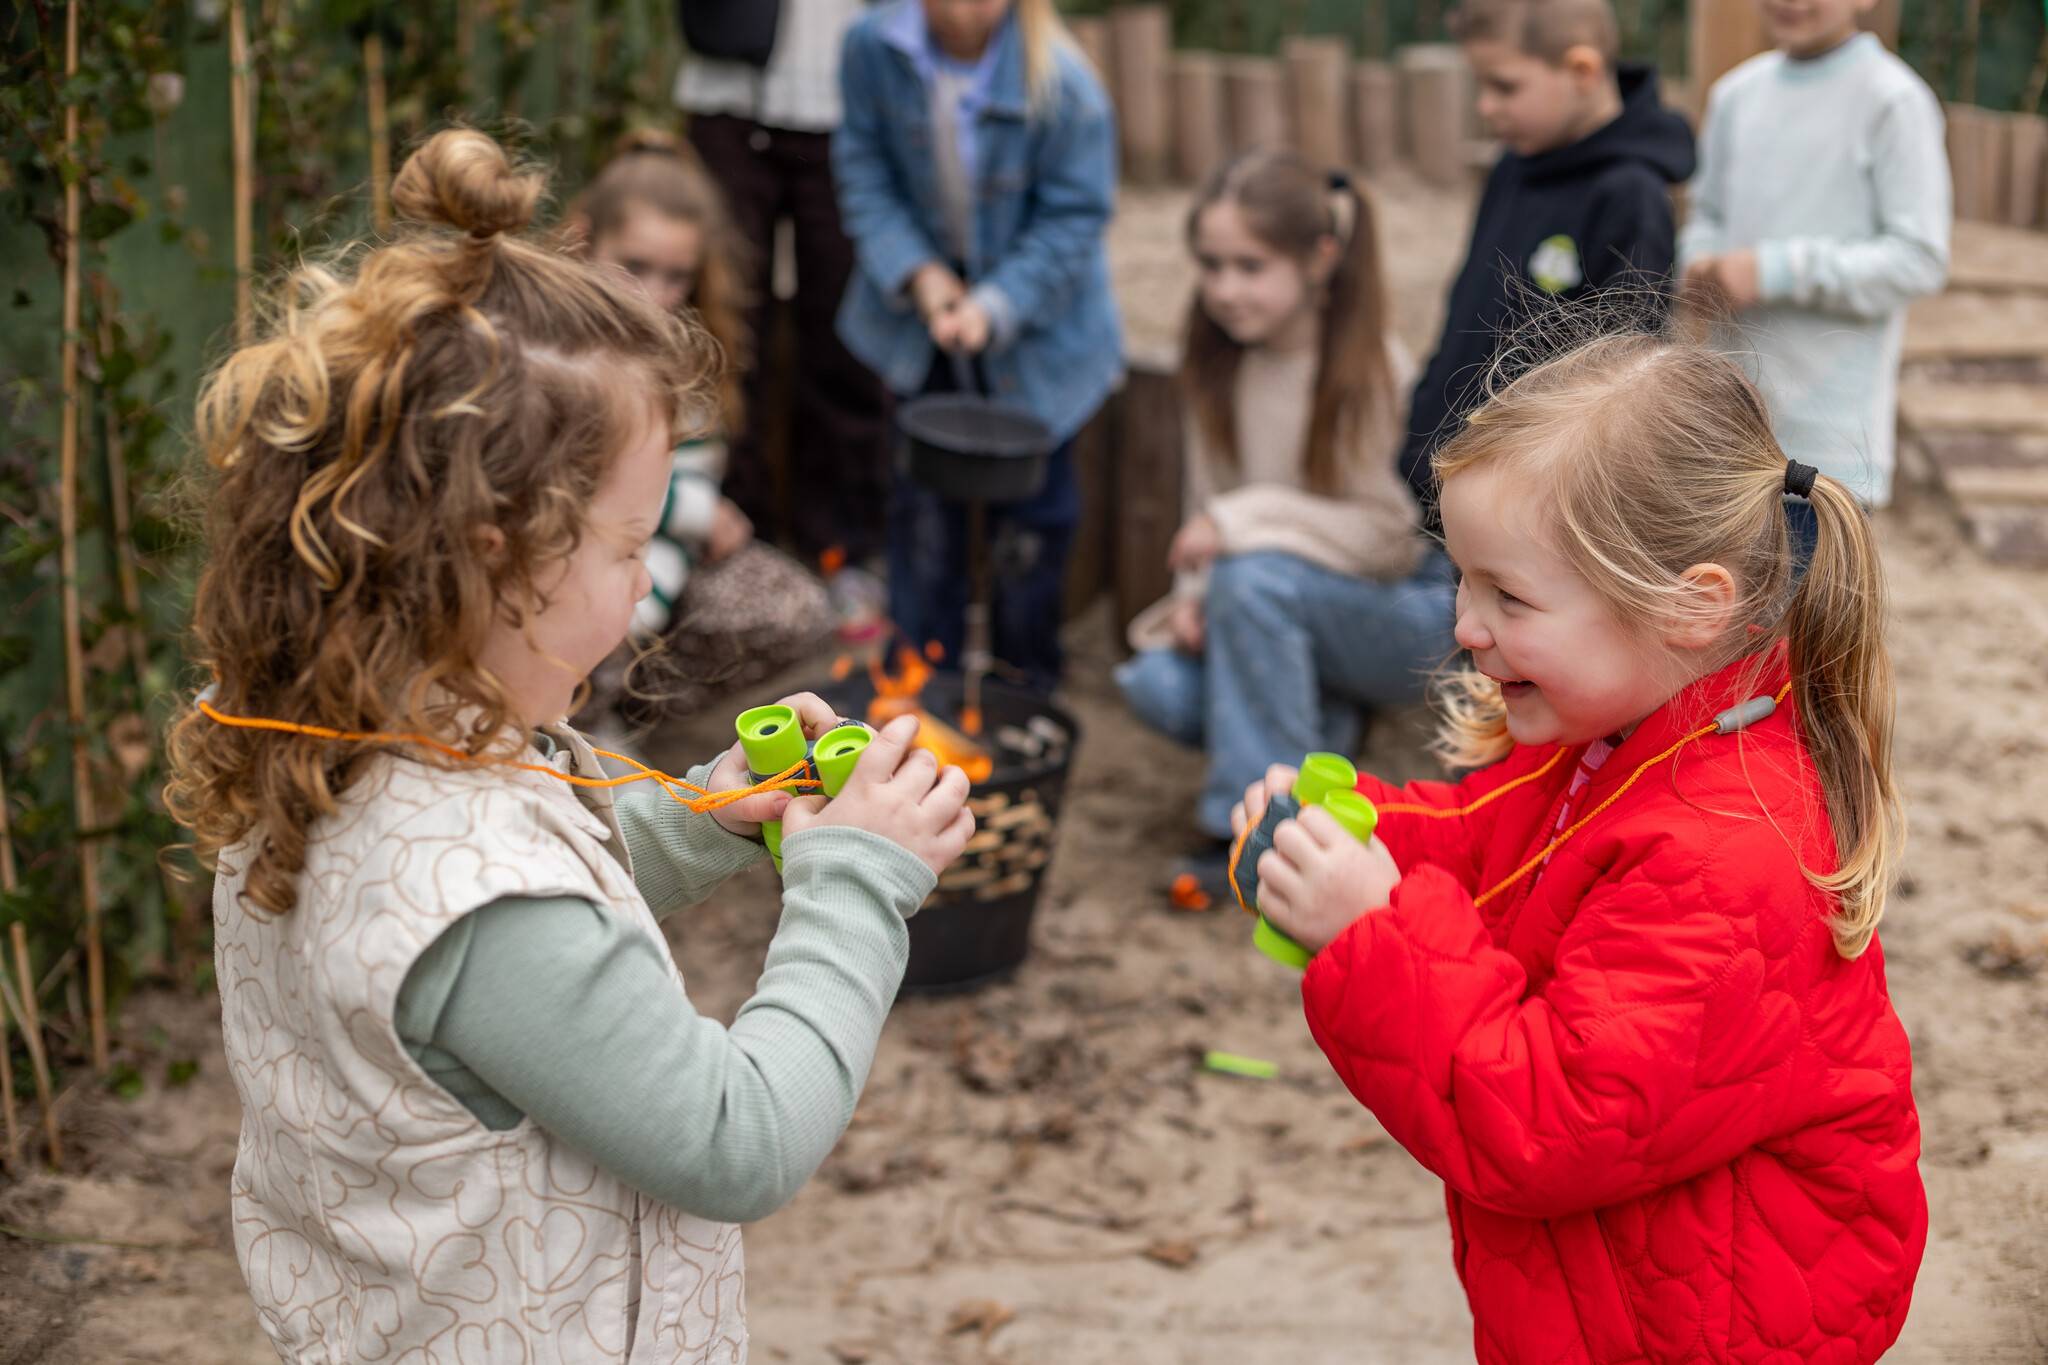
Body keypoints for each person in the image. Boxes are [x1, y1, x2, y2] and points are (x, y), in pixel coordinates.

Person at [164, 130, 974, 1363]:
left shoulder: (349, 729)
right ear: (496, 557)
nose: (644, 577)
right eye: (626, 545)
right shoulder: (481, 908)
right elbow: (736, 1139)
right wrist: (855, 883)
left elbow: (527, 906)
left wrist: (700, 818)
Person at [1236, 333, 1926, 1364]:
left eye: (1508, 597)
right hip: (1620, 1290)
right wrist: (1353, 831)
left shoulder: (1726, 855)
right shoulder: (1628, 733)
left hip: (1712, 1328)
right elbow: (1491, 845)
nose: (1465, 626)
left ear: (1689, 605)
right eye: (1463, 581)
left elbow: (1540, 1122)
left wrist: (1372, 931)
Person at [1114, 151, 1452, 896]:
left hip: (1402, 616)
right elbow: (1206, 504)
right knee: (1156, 684)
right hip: (1271, 602)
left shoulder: (1370, 369)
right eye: (1211, 266)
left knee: (1251, 580)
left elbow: (1390, 540)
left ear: (1319, 259)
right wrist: (1196, 596)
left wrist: (1240, 526)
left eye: (1250, 266)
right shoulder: (1220, 363)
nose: (1224, 289)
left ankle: (1259, 835)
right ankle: (1326, 730)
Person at [834, 0, 1123, 690]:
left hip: (1039, 329)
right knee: (923, 512)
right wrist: (920, 274)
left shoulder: (1066, 85)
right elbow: (863, 172)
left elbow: (1073, 220)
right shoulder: (872, 48)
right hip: (922, 312)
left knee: (1033, 524)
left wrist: (996, 306)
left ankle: (1024, 684)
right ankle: (920, 682)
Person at [569, 130, 834, 743]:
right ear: (584, 240)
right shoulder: (560, 348)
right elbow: (572, 484)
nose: (655, 295)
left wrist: (656, 587)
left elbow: (686, 477)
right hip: (574, 551)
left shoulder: (687, 349)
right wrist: (698, 512)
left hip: (656, 558)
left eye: (677, 276)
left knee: (795, 609)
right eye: (634, 267)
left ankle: (626, 711)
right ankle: (578, 720)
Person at [1403, 0, 1694, 531]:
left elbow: (1623, 373)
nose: (1486, 107)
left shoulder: (1631, 197)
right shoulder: (1512, 168)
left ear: (1581, 70)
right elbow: (1465, 312)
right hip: (1442, 485)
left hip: (1528, 510)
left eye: (1505, 86)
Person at [1678, 0, 1949, 506]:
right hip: (1728, 431)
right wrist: (1701, 263)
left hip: (1831, 452)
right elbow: (1706, 214)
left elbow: (1919, 259)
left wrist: (1774, 271)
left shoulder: (1894, 99)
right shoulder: (1735, 94)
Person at [677, 0, 895, 576]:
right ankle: (730, 534)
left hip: (848, 99)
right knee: (726, 325)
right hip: (729, 95)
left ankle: (842, 547)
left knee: (848, 330)